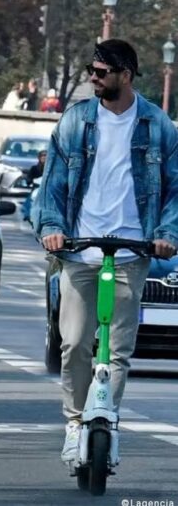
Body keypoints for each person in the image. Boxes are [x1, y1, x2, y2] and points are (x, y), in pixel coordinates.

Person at [33, 39, 178, 465]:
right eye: (90, 70)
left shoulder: (157, 125)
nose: (92, 78)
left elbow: (175, 189)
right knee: (75, 342)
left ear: (125, 75)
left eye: (100, 72)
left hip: (133, 252)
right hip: (80, 251)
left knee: (118, 350)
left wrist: (167, 232)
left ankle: (107, 420)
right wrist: (53, 229)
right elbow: (54, 184)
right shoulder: (76, 121)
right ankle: (76, 422)